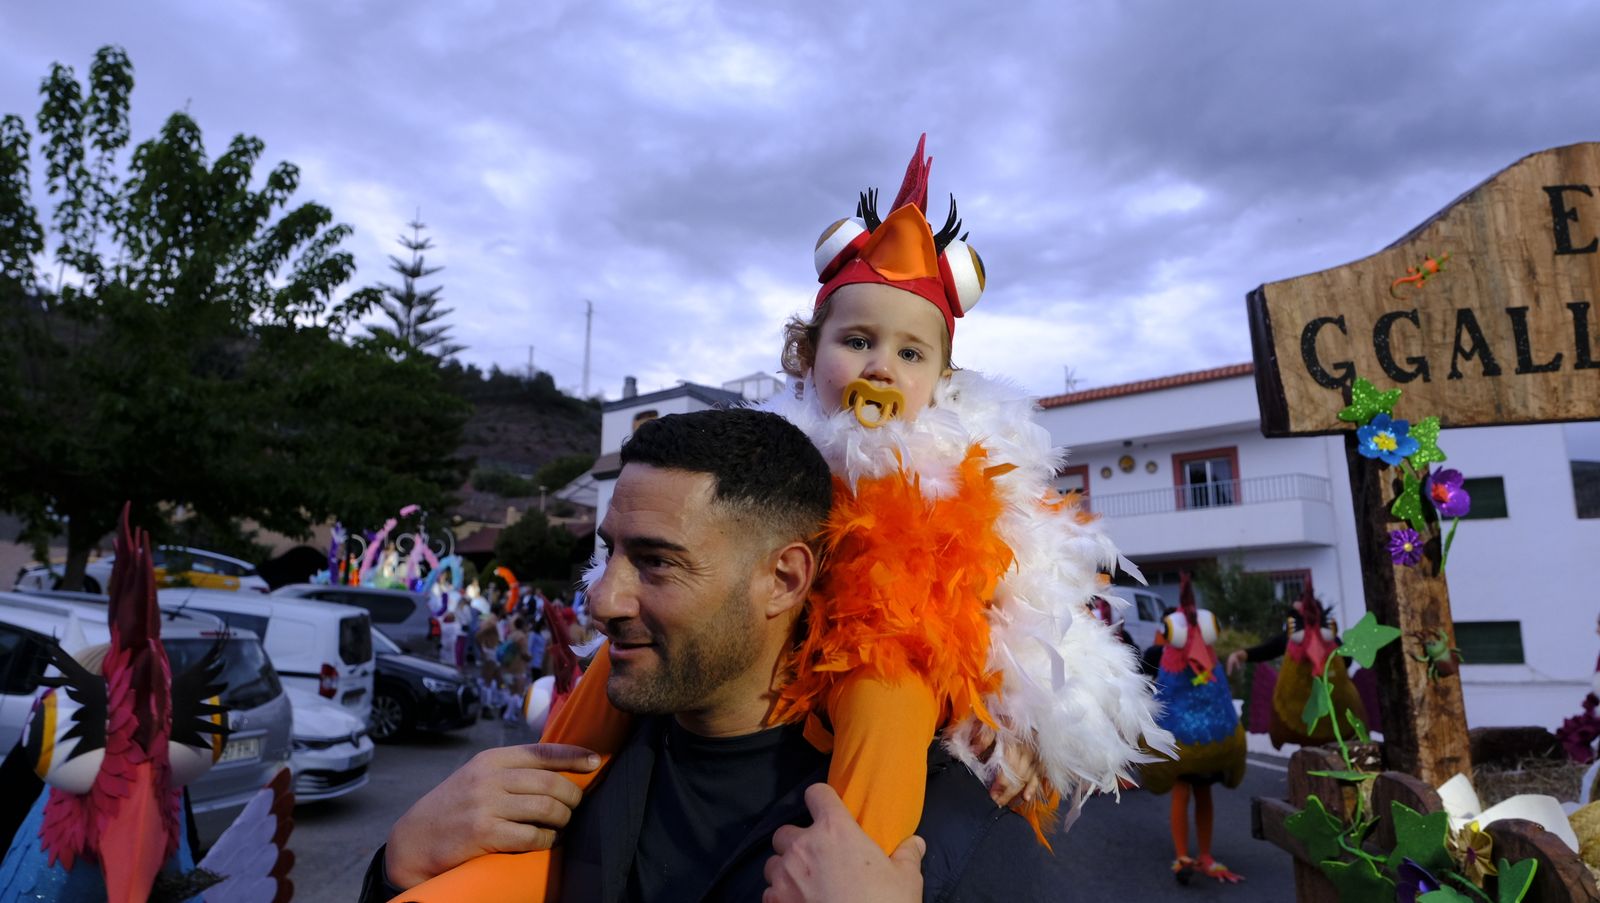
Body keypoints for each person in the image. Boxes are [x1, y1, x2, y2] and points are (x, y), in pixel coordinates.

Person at [363, 408, 1047, 901]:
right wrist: (395, 868)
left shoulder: (945, 840)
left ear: (783, 579)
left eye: (656, 562)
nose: (602, 600)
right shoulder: (571, 776)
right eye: (610, 552)